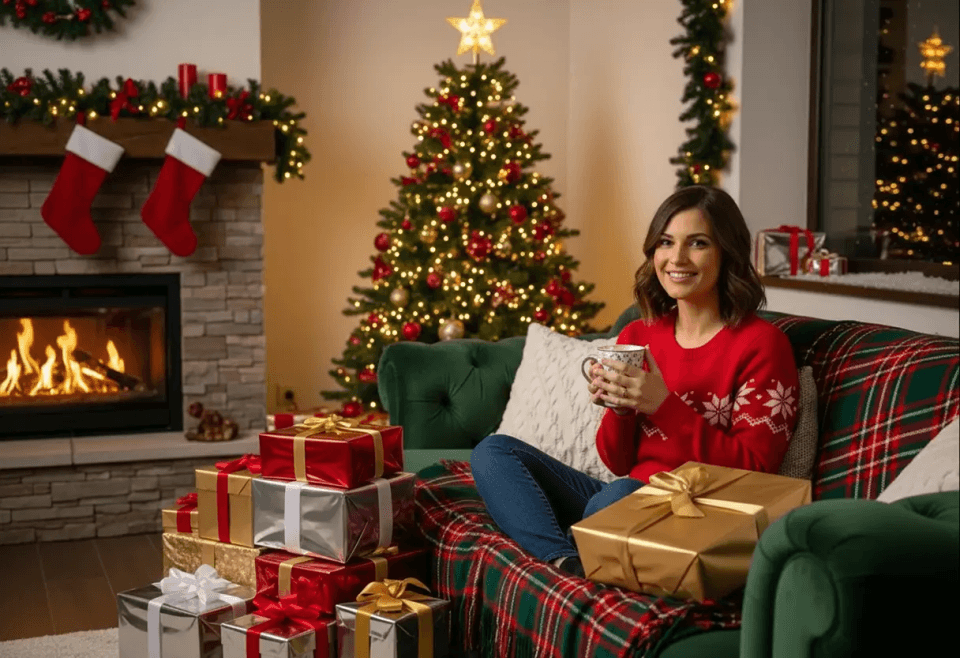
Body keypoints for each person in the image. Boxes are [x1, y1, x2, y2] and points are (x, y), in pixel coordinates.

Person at [470, 185, 800, 578]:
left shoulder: (762, 344)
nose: (676, 258)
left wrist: (663, 405)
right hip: (623, 498)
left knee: (611, 502)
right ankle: (565, 561)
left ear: (726, 251)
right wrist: (621, 410)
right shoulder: (639, 337)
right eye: (665, 242)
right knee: (494, 453)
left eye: (697, 243)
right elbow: (618, 461)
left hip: (699, 514)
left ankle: (573, 551)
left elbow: (757, 471)